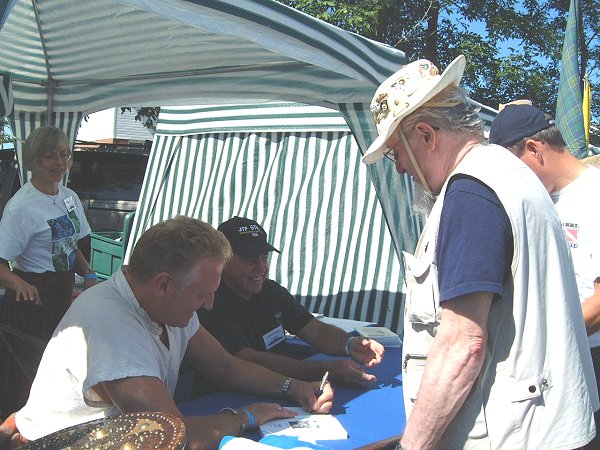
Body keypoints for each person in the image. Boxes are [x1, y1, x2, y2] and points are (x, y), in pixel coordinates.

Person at [362, 55, 598, 449]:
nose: (399, 167)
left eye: (395, 152)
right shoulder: (508, 173)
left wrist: (411, 445)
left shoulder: (472, 193)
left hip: (514, 435)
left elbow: (463, 344)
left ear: (426, 135)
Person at [9, 216, 333, 450]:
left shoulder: (168, 305)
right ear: (164, 283)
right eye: (202, 294)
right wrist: (247, 416)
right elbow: (175, 436)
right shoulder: (112, 324)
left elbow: (224, 366)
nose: (208, 305)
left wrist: (294, 387)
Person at [489, 102, 600, 448]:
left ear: (534, 149)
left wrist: (541, 341)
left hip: (590, 358)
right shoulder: (544, 200)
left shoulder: (594, 196)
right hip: (555, 361)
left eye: (514, 166)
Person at [198, 216, 385, 389]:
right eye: (250, 259)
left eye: (264, 258)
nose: (261, 267)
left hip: (282, 388)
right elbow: (246, 360)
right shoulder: (209, 301)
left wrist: (350, 344)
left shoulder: (271, 291)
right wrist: (324, 371)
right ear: (223, 261)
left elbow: (313, 329)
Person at [0, 126, 98, 416]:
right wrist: (18, 282)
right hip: (31, 299)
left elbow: (70, 245)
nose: (59, 162)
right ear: (34, 159)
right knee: (28, 370)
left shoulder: (69, 197)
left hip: (61, 292)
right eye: (50, 156)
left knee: (59, 363)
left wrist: (89, 273)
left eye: (64, 155)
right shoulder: (21, 207)